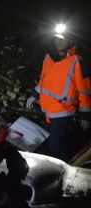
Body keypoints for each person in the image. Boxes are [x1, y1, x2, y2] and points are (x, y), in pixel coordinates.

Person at [26, 23, 91, 161]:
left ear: (71, 41)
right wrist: (35, 95)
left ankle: (65, 173)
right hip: (48, 109)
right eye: (57, 38)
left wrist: (85, 115)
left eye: (64, 38)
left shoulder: (76, 62)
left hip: (64, 111)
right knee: (54, 143)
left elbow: (84, 91)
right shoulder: (49, 57)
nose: (59, 41)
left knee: (56, 148)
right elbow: (43, 80)